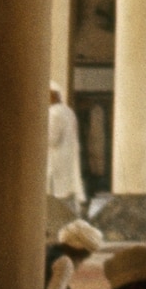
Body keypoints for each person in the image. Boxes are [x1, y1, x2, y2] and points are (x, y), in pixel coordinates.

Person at [45, 83, 83, 225]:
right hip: (67, 160)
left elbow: (51, 139)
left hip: (56, 161)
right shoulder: (68, 111)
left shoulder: (53, 112)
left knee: (56, 195)